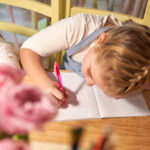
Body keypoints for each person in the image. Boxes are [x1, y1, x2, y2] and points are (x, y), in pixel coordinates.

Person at [19, 13, 150, 106]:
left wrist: (132, 88)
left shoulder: (143, 67)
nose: (88, 82)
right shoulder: (80, 27)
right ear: (100, 40)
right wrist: (44, 84)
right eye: (90, 73)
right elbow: (28, 50)